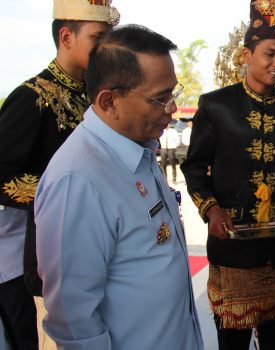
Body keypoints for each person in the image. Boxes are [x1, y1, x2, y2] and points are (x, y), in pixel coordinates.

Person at [34, 24, 203, 349]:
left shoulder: (136, 149)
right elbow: (74, 322)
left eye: (173, 93)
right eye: (160, 98)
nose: (171, 109)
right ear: (109, 101)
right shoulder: (78, 180)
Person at [180, 0, 275, 349]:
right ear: (246, 54)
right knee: (232, 343)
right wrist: (211, 209)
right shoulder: (216, 105)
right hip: (233, 250)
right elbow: (193, 166)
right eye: (270, 53)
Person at [0, 1, 118, 348]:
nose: (106, 48)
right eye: (98, 37)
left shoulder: (92, 96)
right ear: (66, 36)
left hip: (90, 240)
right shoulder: (32, 97)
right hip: (35, 258)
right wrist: (60, 193)